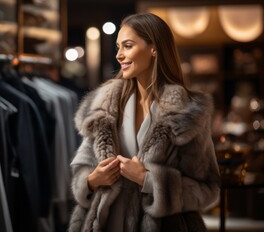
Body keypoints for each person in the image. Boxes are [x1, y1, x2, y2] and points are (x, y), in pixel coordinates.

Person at [68, 12, 221, 232]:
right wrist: (92, 180)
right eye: (118, 47)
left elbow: (208, 188)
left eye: (128, 46)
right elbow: (80, 175)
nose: (119, 55)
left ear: (154, 48)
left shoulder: (187, 113)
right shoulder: (103, 107)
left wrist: (149, 181)